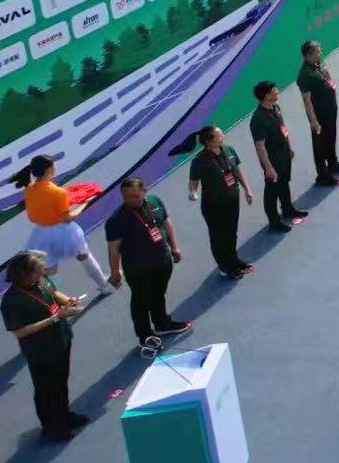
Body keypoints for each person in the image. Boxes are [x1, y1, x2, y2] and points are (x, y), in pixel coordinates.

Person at [0, 251, 90, 441]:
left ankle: (64, 416)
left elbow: (54, 294)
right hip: (41, 351)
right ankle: (52, 427)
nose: (42, 274)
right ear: (24, 274)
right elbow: (20, 331)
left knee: (61, 382)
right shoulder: (12, 301)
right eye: (38, 272)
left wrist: (68, 301)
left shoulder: (40, 280)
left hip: (61, 340)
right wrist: (54, 318)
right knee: (46, 389)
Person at [103, 177, 190, 343]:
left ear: (144, 191)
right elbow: (113, 248)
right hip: (138, 269)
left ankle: (162, 324)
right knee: (140, 301)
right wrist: (115, 272)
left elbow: (166, 223)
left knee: (158, 293)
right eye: (126, 196)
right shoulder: (116, 221)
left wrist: (174, 247)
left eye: (134, 196)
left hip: (162, 261)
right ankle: (145, 336)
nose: (129, 200)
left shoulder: (155, 201)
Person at [11, 155, 112, 292]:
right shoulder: (58, 192)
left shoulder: (29, 190)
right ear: (48, 170)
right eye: (53, 165)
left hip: (41, 234)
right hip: (65, 232)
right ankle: (103, 285)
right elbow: (68, 218)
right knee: (84, 256)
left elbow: (33, 217)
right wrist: (85, 203)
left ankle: (32, 287)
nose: (55, 167)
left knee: (49, 270)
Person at [186, 125, 255, 279]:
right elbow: (193, 182)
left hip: (232, 201)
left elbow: (237, 171)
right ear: (209, 141)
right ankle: (225, 267)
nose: (223, 136)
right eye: (219, 135)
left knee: (231, 233)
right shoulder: (199, 161)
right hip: (213, 206)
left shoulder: (229, 150)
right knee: (219, 237)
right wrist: (193, 193)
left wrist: (247, 189)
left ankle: (233, 260)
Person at [249, 81, 308, 233]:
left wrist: (289, 148)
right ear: (266, 95)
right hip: (272, 160)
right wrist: (268, 168)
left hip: (283, 155)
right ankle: (274, 221)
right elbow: (260, 146)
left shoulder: (275, 108)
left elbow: (283, 130)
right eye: (274, 90)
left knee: (284, 183)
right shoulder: (258, 119)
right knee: (272, 191)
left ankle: (287, 209)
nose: (277, 91)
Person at [296, 40, 339, 186]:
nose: (321, 54)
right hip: (319, 116)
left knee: (331, 138)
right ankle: (322, 175)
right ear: (308, 55)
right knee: (320, 145)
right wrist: (314, 121)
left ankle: (333, 164)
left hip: (330, 110)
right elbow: (306, 100)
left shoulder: (318, 64)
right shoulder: (305, 74)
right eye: (318, 52)